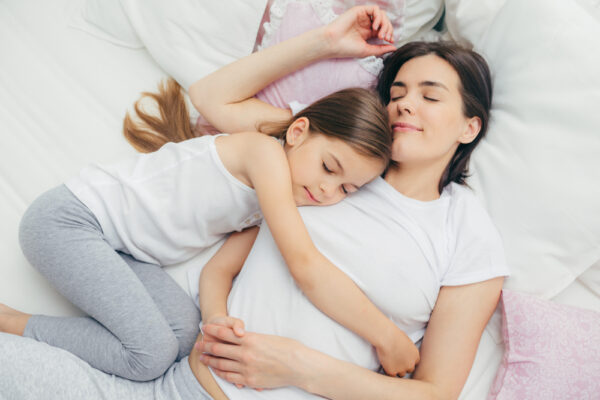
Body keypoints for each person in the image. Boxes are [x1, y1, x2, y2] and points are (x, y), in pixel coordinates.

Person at [0, 4, 508, 400]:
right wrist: (325, 41)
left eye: (430, 96)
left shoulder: (462, 230)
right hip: (175, 386)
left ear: (470, 127)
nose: (404, 104)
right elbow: (212, 100)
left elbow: (435, 393)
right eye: (396, 92)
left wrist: (300, 368)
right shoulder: (320, 159)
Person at [0, 80, 402, 382]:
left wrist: (217, 320)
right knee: (149, 356)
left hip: (123, 250)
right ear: (297, 133)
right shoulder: (263, 153)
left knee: (184, 335)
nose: (328, 190)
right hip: (70, 221)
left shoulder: (266, 210)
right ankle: (9, 323)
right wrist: (385, 334)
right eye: (329, 168)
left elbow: (218, 271)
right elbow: (303, 262)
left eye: (347, 189)